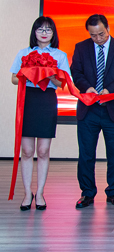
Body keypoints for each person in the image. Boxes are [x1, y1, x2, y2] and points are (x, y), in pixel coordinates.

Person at [71, 14, 114, 209]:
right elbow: (76, 73)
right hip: (88, 109)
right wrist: (87, 87)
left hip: (112, 109)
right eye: (93, 35)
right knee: (86, 154)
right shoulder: (81, 48)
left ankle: (113, 192)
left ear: (108, 28)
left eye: (101, 34)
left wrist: (110, 90)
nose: (98, 38)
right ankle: (87, 193)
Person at [10, 16, 70, 211]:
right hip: (28, 99)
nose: (44, 33)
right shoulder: (24, 53)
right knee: (27, 151)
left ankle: (41, 192)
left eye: (48, 30)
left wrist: (49, 74)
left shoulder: (60, 55)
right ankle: (27, 193)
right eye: (40, 29)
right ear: (34, 32)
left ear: (53, 33)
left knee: (43, 150)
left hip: (46, 100)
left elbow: (62, 83)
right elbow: (14, 78)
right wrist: (30, 73)